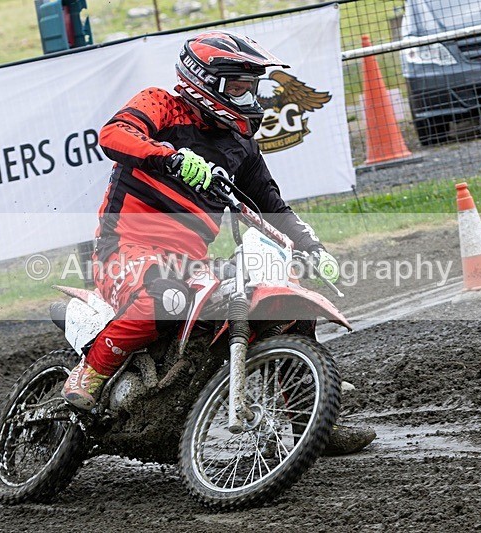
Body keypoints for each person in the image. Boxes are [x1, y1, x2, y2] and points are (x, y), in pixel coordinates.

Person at [62, 31, 341, 408]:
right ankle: (91, 372)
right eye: (238, 88)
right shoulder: (160, 104)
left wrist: (311, 247)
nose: (248, 98)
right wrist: (169, 157)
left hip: (190, 261)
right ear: (206, 82)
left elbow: (271, 206)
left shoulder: (240, 145)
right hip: (126, 247)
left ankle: (309, 412)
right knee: (166, 299)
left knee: (287, 305)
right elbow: (114, 134)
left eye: (251, 89)